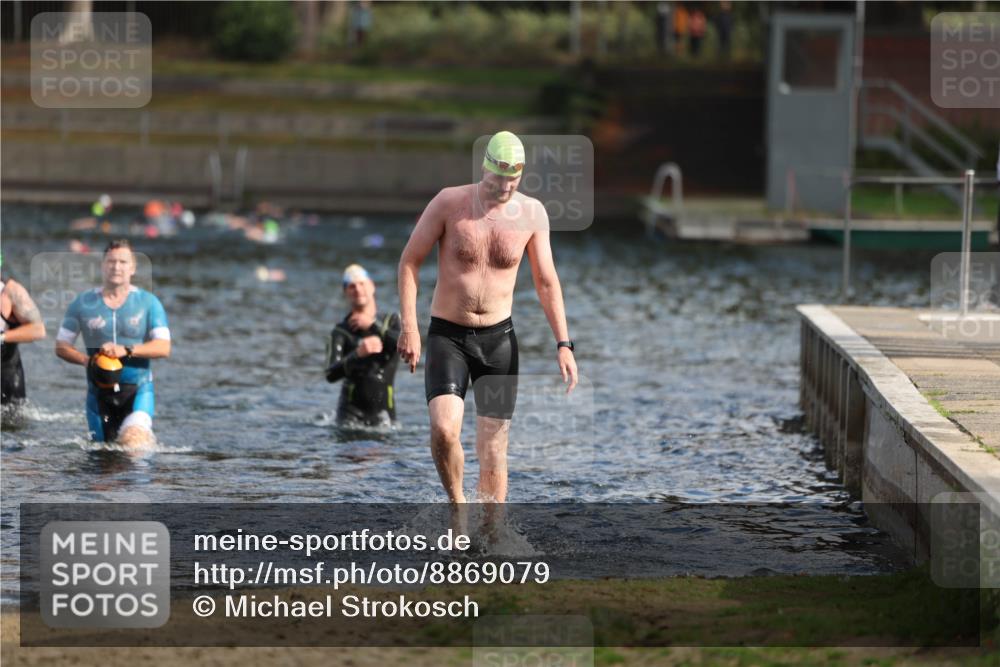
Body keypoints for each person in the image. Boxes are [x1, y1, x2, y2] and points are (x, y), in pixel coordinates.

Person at [397, 130, 578, 504]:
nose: (505, 187)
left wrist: (563, 343)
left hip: (498, 342)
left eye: (513, 179)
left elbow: (546, 281)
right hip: (448, 337)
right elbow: (409, 262)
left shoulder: (532, 214)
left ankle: (493, 537)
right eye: (499, 178)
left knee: (494, 449)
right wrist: (409, 327)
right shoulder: (449, 203)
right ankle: (458, 507)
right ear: (485, 168)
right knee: (445, 430)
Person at [55, 239, 171, 447]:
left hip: (137, 391)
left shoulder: (149, 303)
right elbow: (61, 346)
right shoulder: (82, 303)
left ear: (133, 268)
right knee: (104, 463)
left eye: (123, 262)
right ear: (102, 266)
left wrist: (126, 350)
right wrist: (86, 360)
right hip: (98, 396)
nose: (116, 267)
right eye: (111, 261)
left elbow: (163, 347)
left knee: (133, 444)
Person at [325, 264, 401, 427]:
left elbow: (402, 345)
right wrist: (357, 354)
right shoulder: (341, 331)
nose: (358, 289)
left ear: (372, 286)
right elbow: (330, 374)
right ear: (345, 292)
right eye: (352, 286)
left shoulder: (391, 322)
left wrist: (373, 325)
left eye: (362, 284)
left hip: (385, 416)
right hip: (350, 417)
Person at [1, 257, 46, 407]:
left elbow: (38, 330)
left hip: (6, 377)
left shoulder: (11, 292)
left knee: (11, 423)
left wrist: (2, 337)